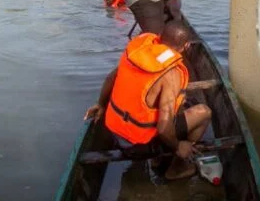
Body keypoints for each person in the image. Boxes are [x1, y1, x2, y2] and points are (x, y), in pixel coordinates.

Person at [84, 21, 212, 180]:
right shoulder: (171, 74)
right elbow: (163, 128)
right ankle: (177, 168)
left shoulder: (136, 52)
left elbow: (110, 78)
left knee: (177, 102)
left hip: (115, 133)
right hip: (138, 146)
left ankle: (158, 160)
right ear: (186, 46)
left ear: (159, 37)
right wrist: (179, 146)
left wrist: (101, 105)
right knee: (204, 112)